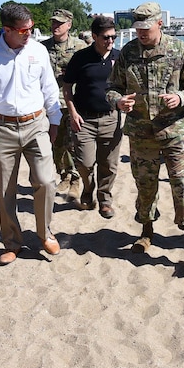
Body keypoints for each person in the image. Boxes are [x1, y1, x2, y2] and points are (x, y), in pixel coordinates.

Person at [106, 1, 184, 267]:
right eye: (138, 27)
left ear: (159, 24)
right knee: (145, 186)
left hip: (174, 131)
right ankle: (146, 232)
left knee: (181, 186)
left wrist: (181, 96)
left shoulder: (178, 49)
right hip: (141, 133)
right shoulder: (127, 52)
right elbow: (111, 88)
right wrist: (118, 101)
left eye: (146, 28)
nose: (141, 33)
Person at [0, 3, 62, 266]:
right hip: (2, 128)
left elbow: (49, 88)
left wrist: (55, 121)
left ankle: (45, 233)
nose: (29, 34)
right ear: (6, 29)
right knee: (6, 188)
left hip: (36, 124)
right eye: (23, 30)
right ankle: (12, 242)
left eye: (30, 28)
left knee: (46, 180)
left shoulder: (38, 51)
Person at [63, 16, 122, 219]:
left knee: (109, 165)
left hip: (111, 118)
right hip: (84, 120)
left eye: (114, 37)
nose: (110, 41)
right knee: (85, 164)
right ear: (95, 36)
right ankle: (88, 189)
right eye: (106, 37)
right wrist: (72, 112)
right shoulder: (80, 58)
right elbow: (68, 87)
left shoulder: (119, 57)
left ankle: (105, 200)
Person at [42, 8, 87, 204]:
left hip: (72, 102)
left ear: (69, 25)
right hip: (50, 103)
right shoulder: (42, 48)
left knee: (73, 142)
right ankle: (64, 175)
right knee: (56, 143)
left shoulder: (80, 47)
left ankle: (75, 179)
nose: (55, 26)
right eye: (53, 22)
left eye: (59, 23)